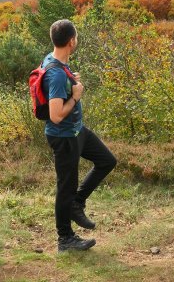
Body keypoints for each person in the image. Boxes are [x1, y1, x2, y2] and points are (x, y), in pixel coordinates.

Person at [42, 19, 117, 252]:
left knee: (107, 161)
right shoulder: (55, 74)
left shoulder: (53, 60)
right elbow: (55, 115)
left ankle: (77, 203)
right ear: (71, 41)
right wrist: (75, 96)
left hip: (77, 131)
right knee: (65, 186)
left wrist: (69, 79)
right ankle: (65, 239)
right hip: (63, 136)